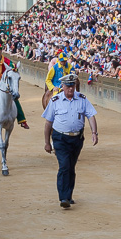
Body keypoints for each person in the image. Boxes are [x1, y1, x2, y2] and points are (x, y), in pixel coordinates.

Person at [42, 73, 99, 209]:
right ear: (63, 86)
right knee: (64, 166)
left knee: (71, 167)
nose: (71, 89)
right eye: (68, 86)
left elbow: (90, 116)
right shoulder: (55, 100)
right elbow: (48, 123)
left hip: (77, 138)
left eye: (72, 86)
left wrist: (94, 132)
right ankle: (64, 198)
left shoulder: (82, 99)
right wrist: (47, 142)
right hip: (60, 138)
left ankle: (69, 195)